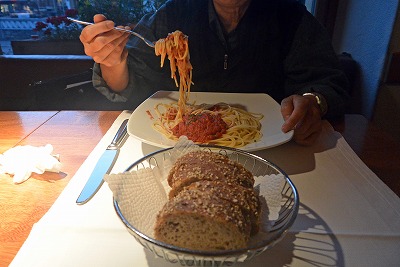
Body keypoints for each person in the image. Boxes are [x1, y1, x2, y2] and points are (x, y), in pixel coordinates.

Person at [80, 0, 350, 146]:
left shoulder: (291, 16)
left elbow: (328, 83)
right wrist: (112, 62)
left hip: (273, 148)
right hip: (175, 148)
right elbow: (133, 87)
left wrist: (313, 102)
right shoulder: (172, 13)